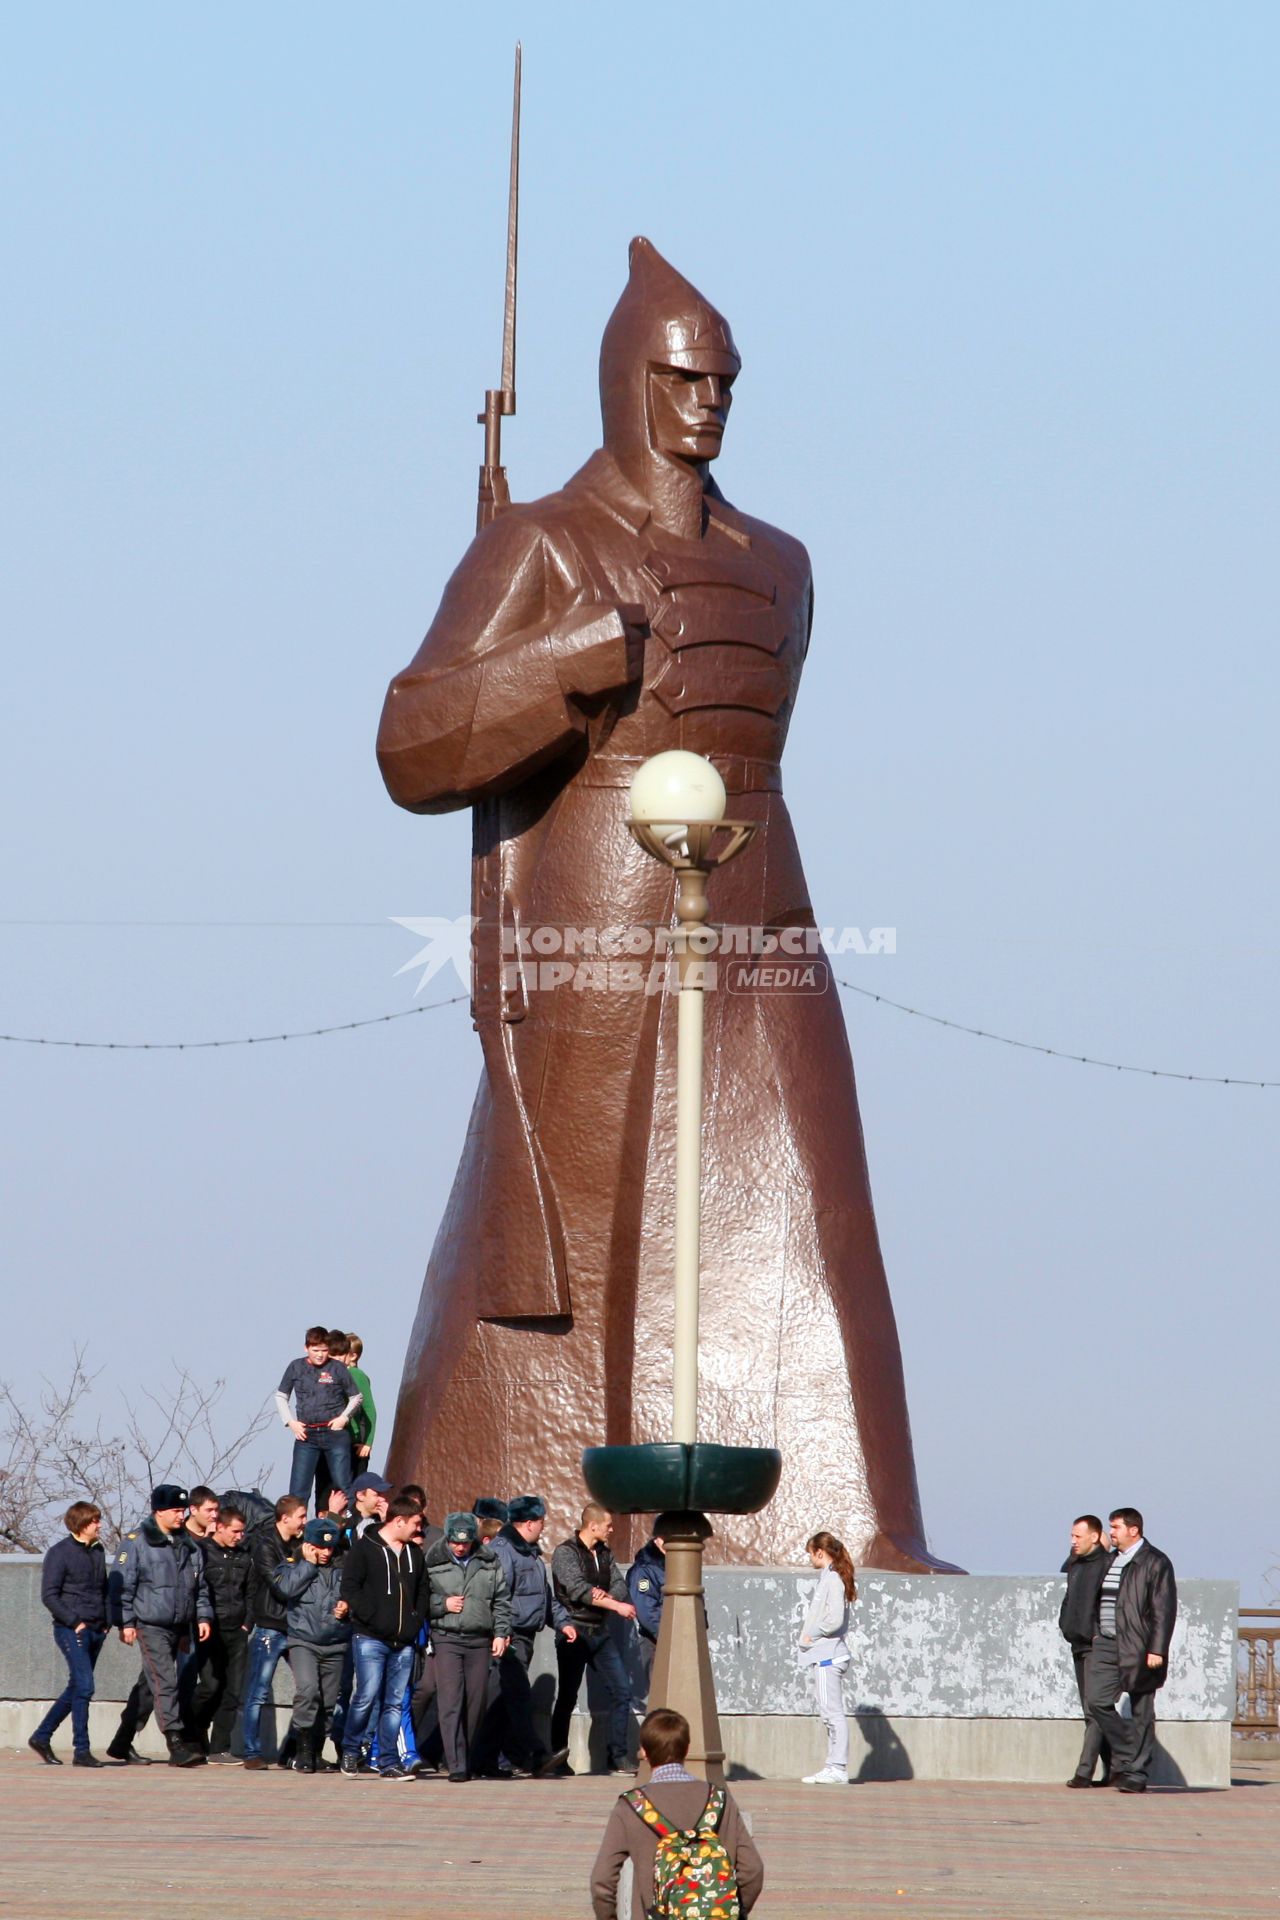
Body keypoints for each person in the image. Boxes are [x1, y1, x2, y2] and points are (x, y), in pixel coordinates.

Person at [589, 1707, 764, 1920]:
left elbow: (602, 1882)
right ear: (687, 1748)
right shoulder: (719, 1800)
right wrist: (733, 1910)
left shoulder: (631, 1806)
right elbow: (753, 1870)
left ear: (643, 1751)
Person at [110, 1484, 212, 1768]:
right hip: (149, 1623)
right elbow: (122, 1585)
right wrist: (125, 1622)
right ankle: (175, 1741)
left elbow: (199, 1586)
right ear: (159, 1512)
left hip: (179, 1625)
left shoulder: (188, 1545)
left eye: (183, 1510)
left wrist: (201, 1618)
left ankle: (122, 1740)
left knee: (149, 1685)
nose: (182, 1516)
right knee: (166, 1681)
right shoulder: (137, 1542)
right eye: (176, 1511)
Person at [1085, 1507, 1178, 1794]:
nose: (1110, 1533)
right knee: (1096, 1701)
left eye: (1115, 1527)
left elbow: (1164, 1610)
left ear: (1133, 1530)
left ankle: (1136, 1774)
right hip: (1106, 1643)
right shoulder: (1111, 1559)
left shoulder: (1155, 1562)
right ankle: (1129, 1750)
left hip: (1139, 1647)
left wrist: (1157, 1648)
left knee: (1141, 1711)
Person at [479, 1494, 572, 1780]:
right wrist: (501, 1631)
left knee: (504, 1703)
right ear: (529, 1523)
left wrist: (563, 1622)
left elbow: (543, 1597)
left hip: (525, 1636)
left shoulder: (529, 1553)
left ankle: (480, 1760)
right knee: (518, 1697)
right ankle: (535, 1756)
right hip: (510, 1637)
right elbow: (497, 1596)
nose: (544, 1527)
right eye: (542, 1522)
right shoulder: (504, 1551)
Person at [339, 1494, 429, 1780]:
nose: (418, 1530)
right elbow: (350, 1588)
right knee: (365, 1696)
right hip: (370, 1638)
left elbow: (424, 1590)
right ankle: (351, 1750)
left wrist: (415, 1622)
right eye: (415, 1523)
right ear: (399, 1520)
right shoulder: (365, 1549)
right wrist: (372, 1617)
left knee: (393, 1702)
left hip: (403, 1641)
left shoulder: (414, 1553)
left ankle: (388, 1760)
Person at [550, 1503, 638, 1775]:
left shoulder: (604, 1553)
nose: (611, 1529)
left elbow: (619, 1584)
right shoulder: (565, 1553)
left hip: (599, 1633)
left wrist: (605, 1596)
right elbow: (577, 1589)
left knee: (622, 1691)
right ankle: (557, 1758)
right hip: (574, 1633)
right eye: (608, 1525)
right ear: (593, 1525)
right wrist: (615, 1606)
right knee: (567, 1695)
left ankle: (618, 1757)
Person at [425, 1510, 512, 1782]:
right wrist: (442, 1605)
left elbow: (501, 1599)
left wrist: (501, 1632)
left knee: (476, 1702)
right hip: (446, 1638)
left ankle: (465, 1754)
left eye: (465, 1542)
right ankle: (456, 1764)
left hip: (479, 1640)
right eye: (455, 1542)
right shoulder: (433, 1560)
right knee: (450, 1701)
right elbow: (420, 1600)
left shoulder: (489, 1561)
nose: (460, 1547)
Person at [29, 1500, 111, 1767]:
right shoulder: (59, 1553)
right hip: (71, 1629)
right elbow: (49, 1595)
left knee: (77, 1686)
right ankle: (82, 1750)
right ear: (82, 1524)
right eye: (95, 1521)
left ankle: (42, 1736)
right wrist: (74, 1622)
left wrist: (107, 1620)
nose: (99, 1525)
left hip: (97, 1628)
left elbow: (104, 1590)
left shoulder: (98, 1552)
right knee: (85, 1686)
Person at [276, 1517, 351, 1772]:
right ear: (309, 1545)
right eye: (321, 1547)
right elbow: (286, 1589)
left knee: (329, 1702)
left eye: (330, 1548)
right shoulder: (292, 1565)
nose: (326, 1552)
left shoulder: (345, 1566)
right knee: (308, 1691)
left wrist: (347, 1606)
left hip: (336, 1642)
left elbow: (357, 1594)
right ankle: (303, 1751)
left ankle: (317, 1751)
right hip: (303, 1640)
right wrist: (307, 1565)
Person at [240, 1493, 306, 1770]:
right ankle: (251, 1751)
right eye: (301, 1516)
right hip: (270, 1626)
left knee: (309, 1690)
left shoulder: (303, 1544)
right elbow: (280, 1584)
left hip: (298, 1628)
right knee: (257, 1691)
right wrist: (303, 1562)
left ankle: (292, 1750)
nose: (305, 1522)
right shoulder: (265, 1545)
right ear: (285, 1518)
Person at [185, 1504, 251, 1762]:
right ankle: (192, 1729)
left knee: (232, 1691)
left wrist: (248, 1623)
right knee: (210, 1686)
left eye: (242, 1532)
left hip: (238, 1630)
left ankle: (219, 1748)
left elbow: (251, 1590)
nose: (239, 1536)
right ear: (220, 1527)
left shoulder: (244, 1555)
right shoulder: (202, 1551)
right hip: (210, 1630)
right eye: (235, 1531)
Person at [275, 1326, 362, 1510]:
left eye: (324, 1350)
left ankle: (350, 1529)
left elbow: (356, 1397)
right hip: (306, 1435)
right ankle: (298, 1533)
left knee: (342, 1483)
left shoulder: (337, 1368)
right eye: (316, 1350)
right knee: (298, 1489)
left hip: (334, 1434)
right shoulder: (295, 1367)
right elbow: (281, 1396)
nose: (320, 1355)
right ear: (306, 1348)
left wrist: (344, 1418)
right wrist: (290, 1422)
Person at [797, 1528, 856, 1785]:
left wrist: (812, 1634)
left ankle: (837, 1767)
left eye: (811, 1554)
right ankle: (834, 1766)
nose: (810, 1559)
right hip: (829, 1654)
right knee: (830, 1713)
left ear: (820, 1552)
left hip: (827, 1656)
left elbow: (834, 1619)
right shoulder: (830, 1576)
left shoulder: (832, 1579)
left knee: (832, 1714)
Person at [1059, 1514, 1112, 1788]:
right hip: (1077, 1642)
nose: (1072, 1541)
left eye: (1078, 1536)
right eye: (1071, 1536)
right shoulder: (1076, 1564)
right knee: (1092, 1710)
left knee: (1095, 1709)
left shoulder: (1107, 1565)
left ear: (1094, 1537)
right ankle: (1115, 1767)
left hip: (1097, 1645)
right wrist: (1065, 1624)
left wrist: (1097, 1633)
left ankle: (1083, 1773)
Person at [627, 1520, 671, 1701]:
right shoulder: (645, 1570)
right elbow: (646, 1610)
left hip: (674, 1639)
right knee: (661, 1696)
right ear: (659, 1540)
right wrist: (667, 1635)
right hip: (656, 1641)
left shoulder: (671, 1565)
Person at [343, 1333, 377, 1467]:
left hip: (356, 1441)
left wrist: (367, 1443)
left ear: (353, 1355)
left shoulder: (356, 1374)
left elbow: (369, 1409)